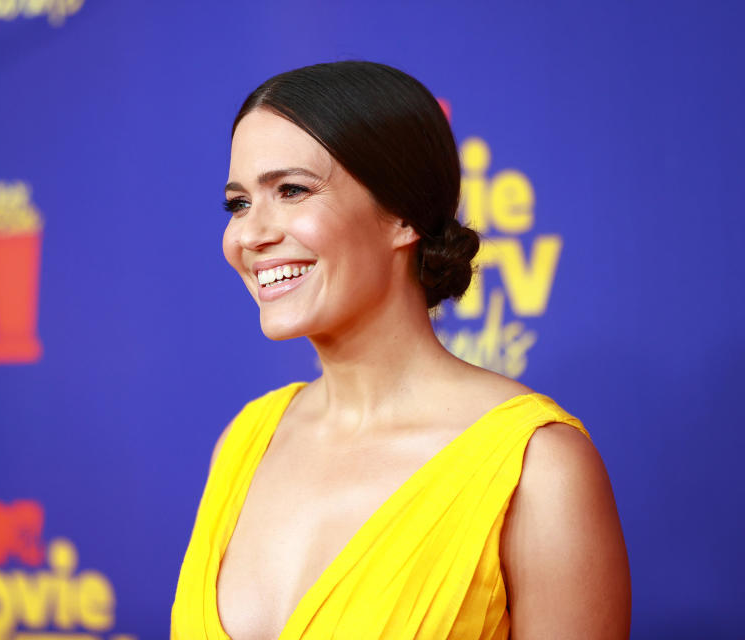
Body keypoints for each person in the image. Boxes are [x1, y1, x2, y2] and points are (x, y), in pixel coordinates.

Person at [171, 61, 631, 639]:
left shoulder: (537, 468)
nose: (250, 235)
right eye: (238, 203)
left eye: (291, 191)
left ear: (403, 215)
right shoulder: (243, 442)